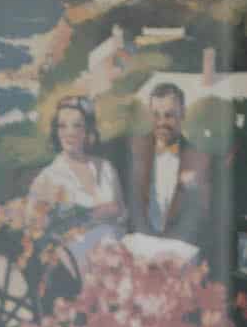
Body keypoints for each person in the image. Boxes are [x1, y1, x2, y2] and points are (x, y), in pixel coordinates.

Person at [26, 96, 127, 263]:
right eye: (62, 126)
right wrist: (90, 215)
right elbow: (35, 227)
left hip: (117, 252)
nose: (69, 132)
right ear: (56, 131)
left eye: (77, 125)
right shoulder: (48, 177)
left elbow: (122, 214)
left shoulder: (106, 168)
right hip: (76, 261)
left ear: (87, 130)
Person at [126, 82, 211, 253]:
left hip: (179, 248)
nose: (161, 122)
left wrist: (170, 248)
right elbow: (131, 205)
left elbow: (200, 213)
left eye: (169, 115)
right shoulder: (133, 149)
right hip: (140, 245)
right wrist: (146, 243)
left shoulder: (200, 159)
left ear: (183, 114)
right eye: (156, 115)